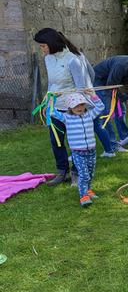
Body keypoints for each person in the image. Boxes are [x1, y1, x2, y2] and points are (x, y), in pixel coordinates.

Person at [33, 28, 94, 186]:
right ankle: (62, 171)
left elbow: (81, 87)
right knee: (56, 141)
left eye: (43, 46)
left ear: (52, 43)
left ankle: (76, 172)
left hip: (72, 108)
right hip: (55, 107)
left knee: (76, 142)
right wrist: (47, 102)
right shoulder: (48, 58)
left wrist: (77, 107)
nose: (42, 49)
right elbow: (52, 83)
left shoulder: (73, 59)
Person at [49, 90, 104, 206]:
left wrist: (93, 95)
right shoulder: (66, 118)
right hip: (78, 153)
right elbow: (52, 112)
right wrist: (52, 99)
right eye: (76, 106)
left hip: (91, 152)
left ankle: (88, 190)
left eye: (82, 105)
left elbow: (101, 106)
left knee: (90, 174)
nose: (79, 108)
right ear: (70, 107)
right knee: (83, 175)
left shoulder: (89, 115)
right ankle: (83, 196)